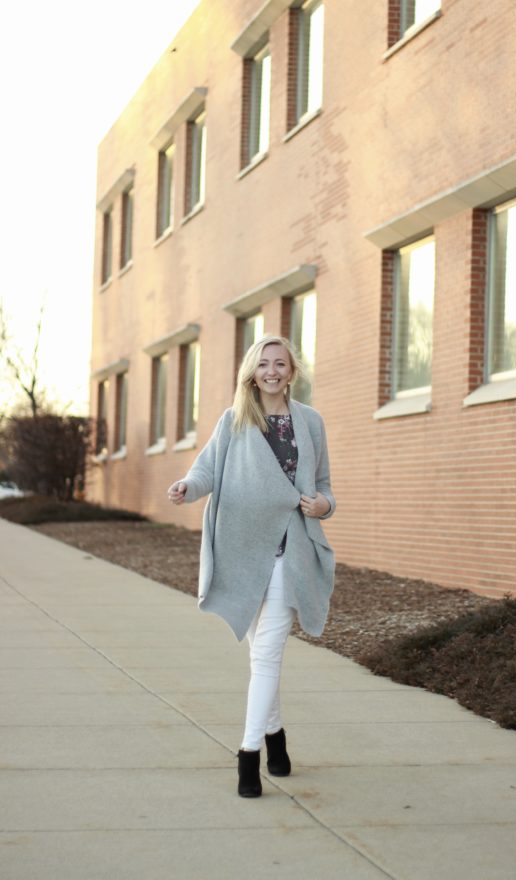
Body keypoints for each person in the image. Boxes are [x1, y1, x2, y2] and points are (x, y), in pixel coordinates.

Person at [167, 335, 335, 798]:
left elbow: (325, 488)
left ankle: (248, 756)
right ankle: (276, 739)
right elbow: (207, 471)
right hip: (245, 552)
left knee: (266, 655)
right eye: (264, 364)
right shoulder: (235, 420)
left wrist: (322, 505)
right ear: (251, 372)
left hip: (292, 551)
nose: (272, 371)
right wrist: (187, 486)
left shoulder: (311, 422)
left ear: (292, 371)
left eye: (280, 363)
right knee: (260, 652)